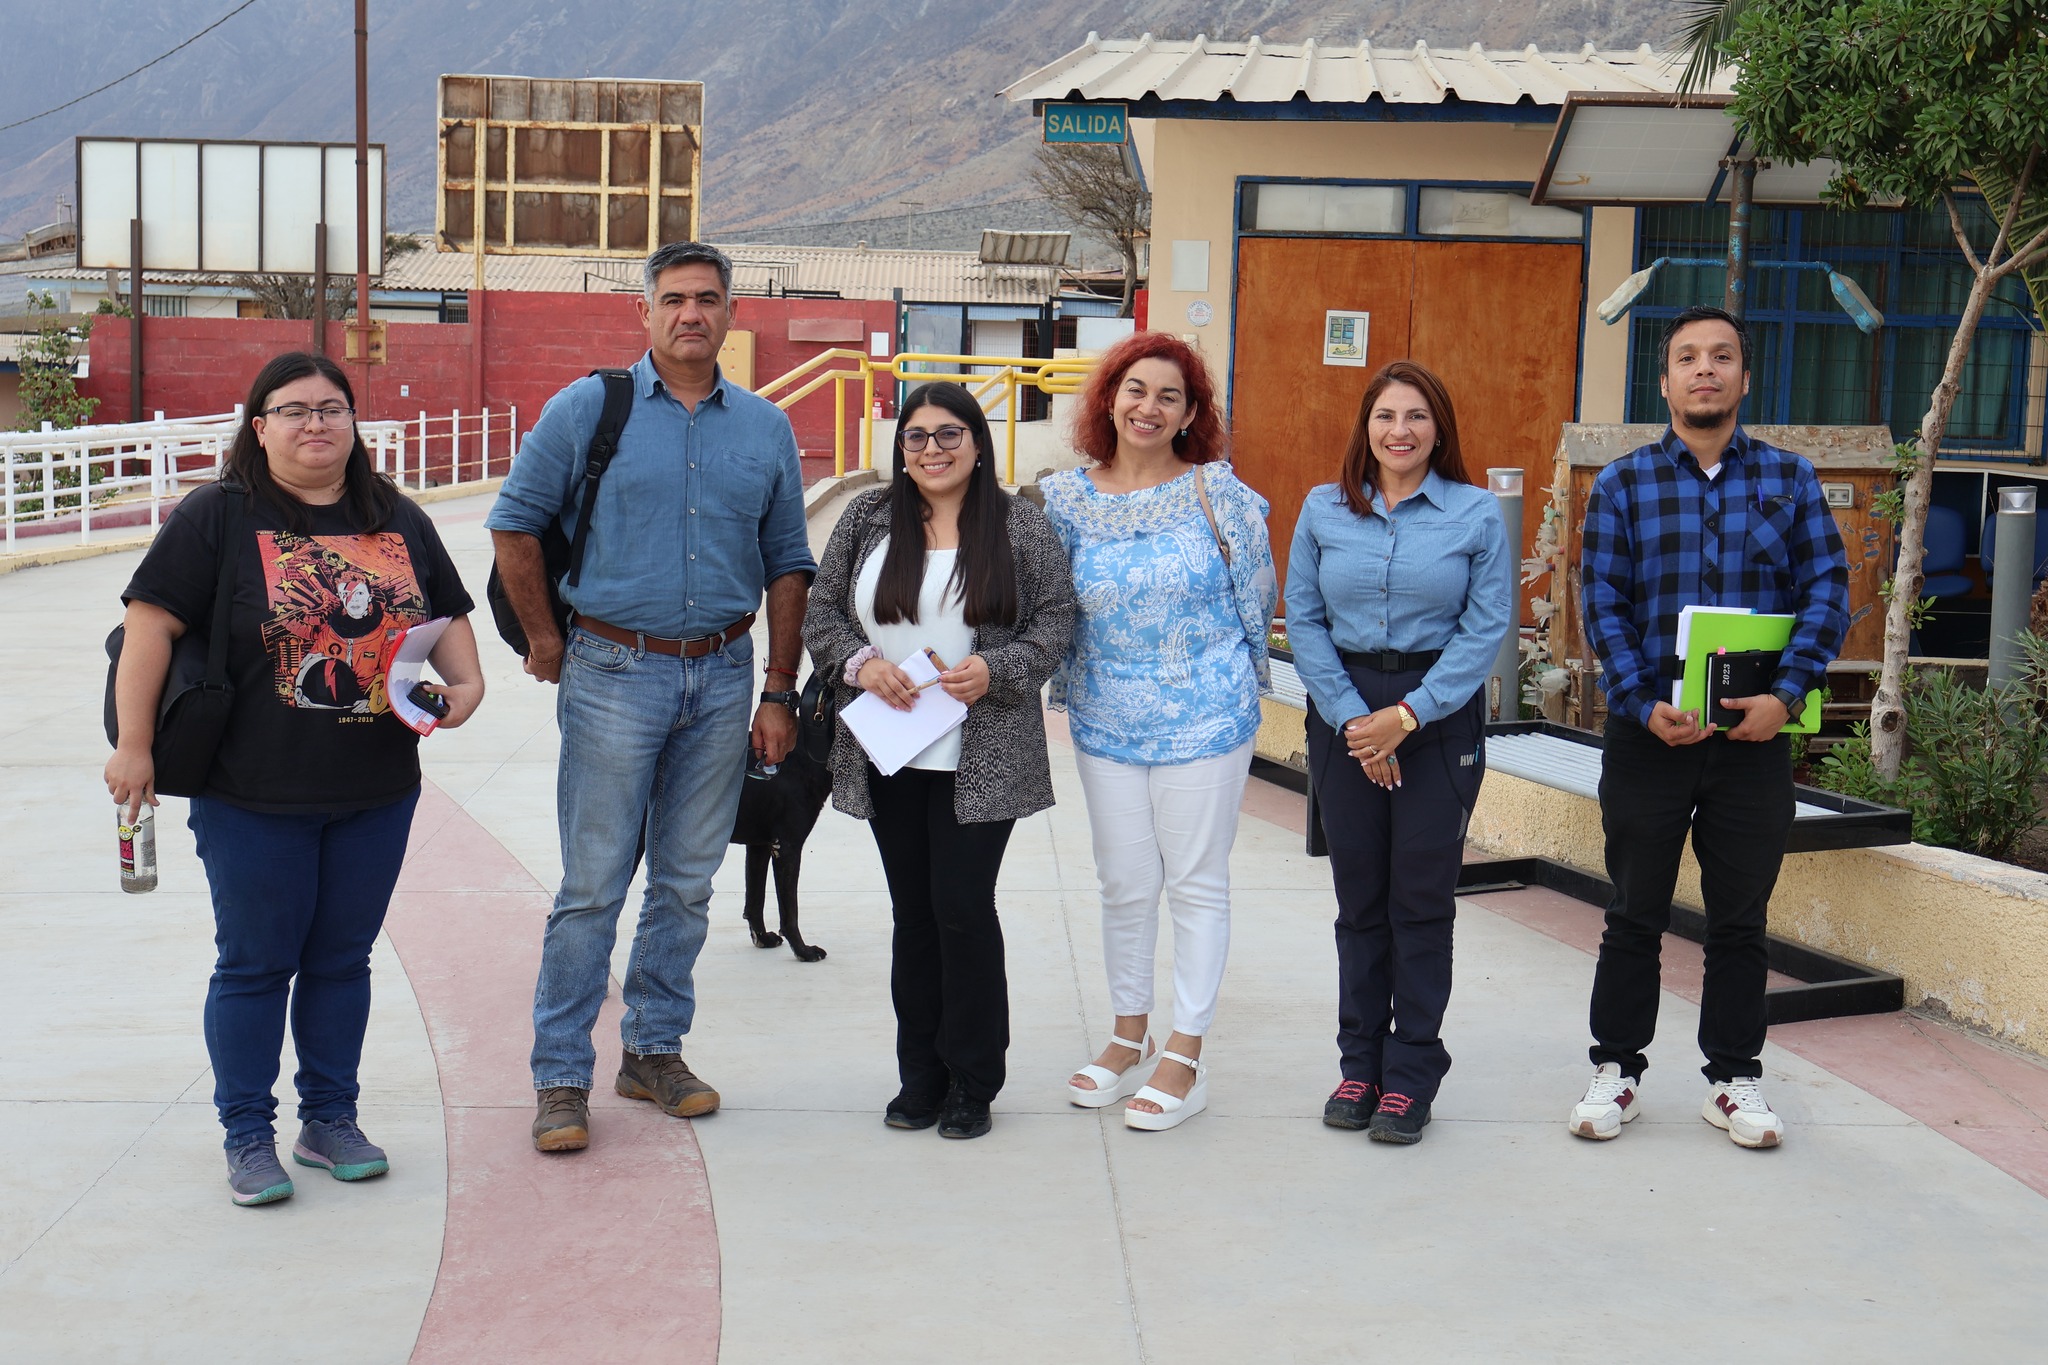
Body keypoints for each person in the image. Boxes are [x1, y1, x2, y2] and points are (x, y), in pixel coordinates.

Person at [105, 351, 485, 1206]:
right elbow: (149, 628)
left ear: (355, 423)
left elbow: (444, 614)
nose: (316, 424)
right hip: (251, 791)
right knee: (253, 963)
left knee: (342, 960)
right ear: (259, 425)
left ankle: (329, 1118)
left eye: (333, 408)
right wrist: (134, 746)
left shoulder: (395, 515)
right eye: (294, 410)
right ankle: (247, 1132)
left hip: (376, 786)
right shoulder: (220, 514)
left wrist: (466, 686)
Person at [487, 241, 815, 1154]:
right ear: (645, 313)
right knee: (592, 886)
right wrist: (547, 639)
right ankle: (560, 1074)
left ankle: (653, 1050)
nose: (691, 315)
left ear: (732, 313)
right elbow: (514, 522)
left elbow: (790, 561)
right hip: (611, 673)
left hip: (722, 674)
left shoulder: (764, 428)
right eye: (673, 299)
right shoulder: (589, 407)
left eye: (708, 299)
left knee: (686, 880)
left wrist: (779, 689)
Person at [1571, 304, 1848, 1149]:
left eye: (1721, 357)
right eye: (1688, 357)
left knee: (1739, 918)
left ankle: (1734, 1078)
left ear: (1744, 377)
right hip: (1650, 736)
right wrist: (1636, 698)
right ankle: (1616, 1069)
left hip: (1754, 743)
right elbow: (1603, 603)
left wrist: (1788, 694)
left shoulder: (1791, 480)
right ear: (1665, 381)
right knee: (1634, 911)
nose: (1705, 370)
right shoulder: (1623, 485)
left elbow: (1828, 593)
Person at [803, 382, 1075, 1139]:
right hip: (892, 751)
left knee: (961, 908)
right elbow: (822, 612)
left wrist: (1004, 668)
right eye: (916, 437)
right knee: (913, 914)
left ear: (978, 444)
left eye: (949, 435)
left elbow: (1056, 619)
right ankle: (918, 1075)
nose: (932, 450)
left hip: (981, 753)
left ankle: (973, 1078)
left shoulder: (1019, 524)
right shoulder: (867, 518)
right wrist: (861, 665)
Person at [1040, 331, 1277, 1132]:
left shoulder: (1222, 495)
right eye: (1136, 389)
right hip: (1105, 720)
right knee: (1124, 884)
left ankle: (1186, 1049)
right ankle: (1127, 1033)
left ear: (1190, 414)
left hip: (1206, 717)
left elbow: (1256, 602)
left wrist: (1246, 691)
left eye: (1169, 396)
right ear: (1109, 398)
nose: (1149, 406)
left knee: (1197, 883)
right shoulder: (1065, 499)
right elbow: (1052, 610)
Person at [1285, 360, 1512, 1145]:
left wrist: (1405, 719)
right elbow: (1304, 624)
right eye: (1386, 415)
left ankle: (1410, 1069)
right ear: (1366, 426)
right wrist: (1359, 723)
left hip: (1437, 716)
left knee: (1421, 900)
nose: (1401, 431)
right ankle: (1359, 1063)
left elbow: (1484, 632)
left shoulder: (1476, 514)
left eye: (1416, 416)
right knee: (1361, 903)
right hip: (1343, 709)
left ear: (1438, 428)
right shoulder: (1322, 509)